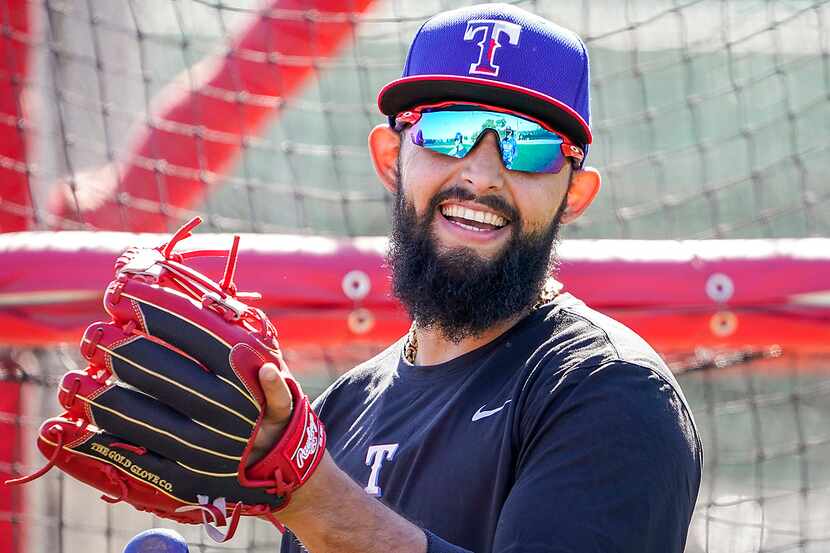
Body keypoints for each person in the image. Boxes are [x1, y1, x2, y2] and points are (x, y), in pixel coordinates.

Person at [249, 4, 703, 553]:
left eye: (528, 145)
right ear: (391, 157)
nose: (481, 175)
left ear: (575, 194)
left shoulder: (612, 393)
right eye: (448, 131)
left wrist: (314, 500)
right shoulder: (339, 410)